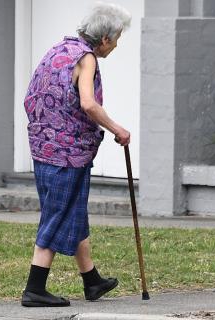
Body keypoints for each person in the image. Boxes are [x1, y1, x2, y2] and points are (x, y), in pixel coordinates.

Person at [21, 3, 132, 308]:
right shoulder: (86, 58)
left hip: (44, 148)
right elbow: (88, 104)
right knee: (57, 215)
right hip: (66, 154)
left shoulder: (59, 50)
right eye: (118, 38)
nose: (117, 44)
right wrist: (116, 129)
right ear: (105, 39)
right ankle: (34, 288)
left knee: (71, 211)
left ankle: (91, 281)